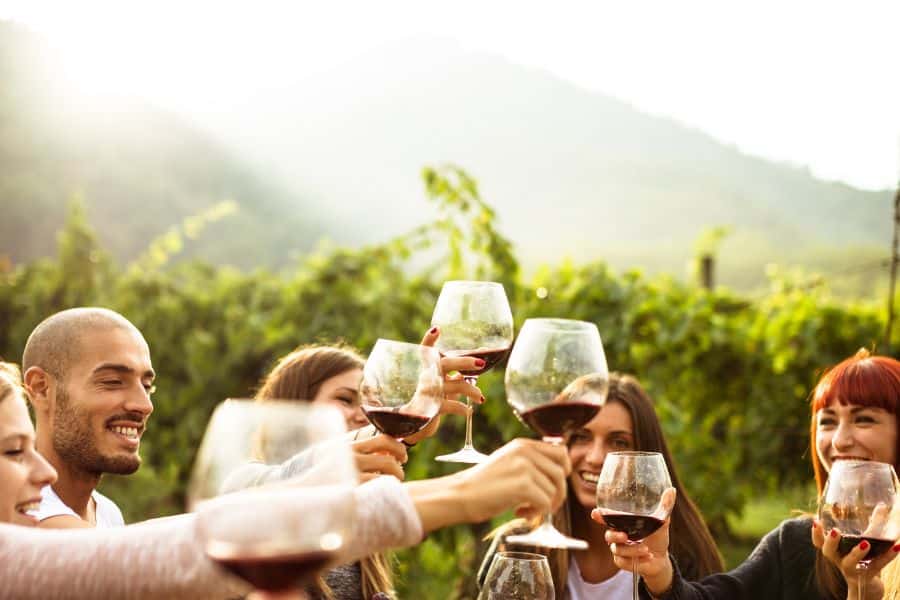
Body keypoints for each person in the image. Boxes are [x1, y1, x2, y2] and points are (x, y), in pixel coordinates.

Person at [0, 356, 572, 599]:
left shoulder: (107, 518)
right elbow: (167, 554)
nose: (44, 471)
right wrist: (463, 493)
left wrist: (397, 423)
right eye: (11, 450)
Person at [598, 349, 900, 600]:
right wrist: (660, 571)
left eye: (864, 420)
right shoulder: (795, 545)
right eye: (828, 422)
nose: (839, 441)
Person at [241, 327, 485, 599]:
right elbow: (264, 493)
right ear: (292, 409)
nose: (362, 414)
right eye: (345, 399)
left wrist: (406, 422)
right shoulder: (245, 485)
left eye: (370, 399)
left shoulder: (359, 518)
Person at [478, 372, 723, 599]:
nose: (595, 457)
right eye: (582, 437)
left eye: (618, 442)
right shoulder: (519, 544)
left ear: (646, 458)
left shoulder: (685, 553)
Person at [21, 307, 155, 528]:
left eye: (147, 386)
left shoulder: (108, 514)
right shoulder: (22, 510)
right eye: (113, 382)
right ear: (41, 388)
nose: (144, 405)